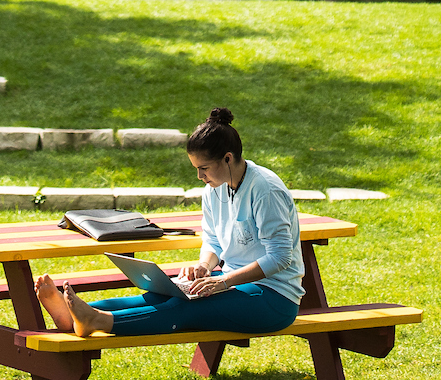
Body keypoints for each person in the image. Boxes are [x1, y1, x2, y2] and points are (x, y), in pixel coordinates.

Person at [36, 107, 302, 338]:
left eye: (204, 168)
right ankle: (72, 316)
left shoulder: (265, 189)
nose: (199, 176)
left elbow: (279, 258)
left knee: (186, 308)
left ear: (228, 158)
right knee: (162, 296)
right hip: (231, 282)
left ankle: (98, 321)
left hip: (273, 298)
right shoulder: (215, 188)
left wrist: (223, 281)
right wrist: (204, 267)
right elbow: (213, 239)